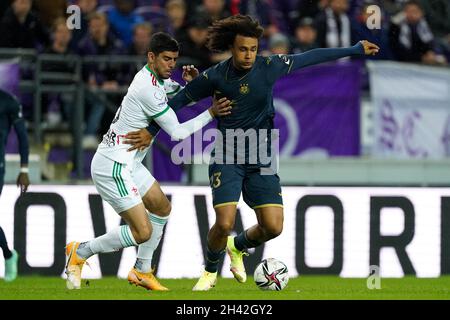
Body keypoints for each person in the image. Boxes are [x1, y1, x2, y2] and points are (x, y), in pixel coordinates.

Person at [129, 15, 379, 291]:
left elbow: (310, 57)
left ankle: (237, 247)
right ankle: (210, 272)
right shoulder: (215, 76)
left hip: (262, 155)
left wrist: (354, 49)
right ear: (232, 49)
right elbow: (175, 104)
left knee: (273, 227)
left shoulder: (269, 66)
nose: (248, 55)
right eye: (242, 49)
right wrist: (150, 132)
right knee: (224, 222)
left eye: (253, 49)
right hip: (227, 154)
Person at [64, 32, 230, 291]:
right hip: (113, 166)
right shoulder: (147, 88)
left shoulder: (155, 79)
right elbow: (176, 132)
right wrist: (211, 112)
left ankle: (142, 270)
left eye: (174, 59)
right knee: (143, 232)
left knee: (162, 208)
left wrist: (192, 86)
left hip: (129, 162)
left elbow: (179, 98)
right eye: (166, 59)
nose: (171, 65)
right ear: (151, 57)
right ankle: (81, 251)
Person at [0, 89, 30, 282]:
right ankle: (9, 255)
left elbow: (22, 136)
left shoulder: (8, 101)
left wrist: (24, 170)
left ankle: (9, 256)